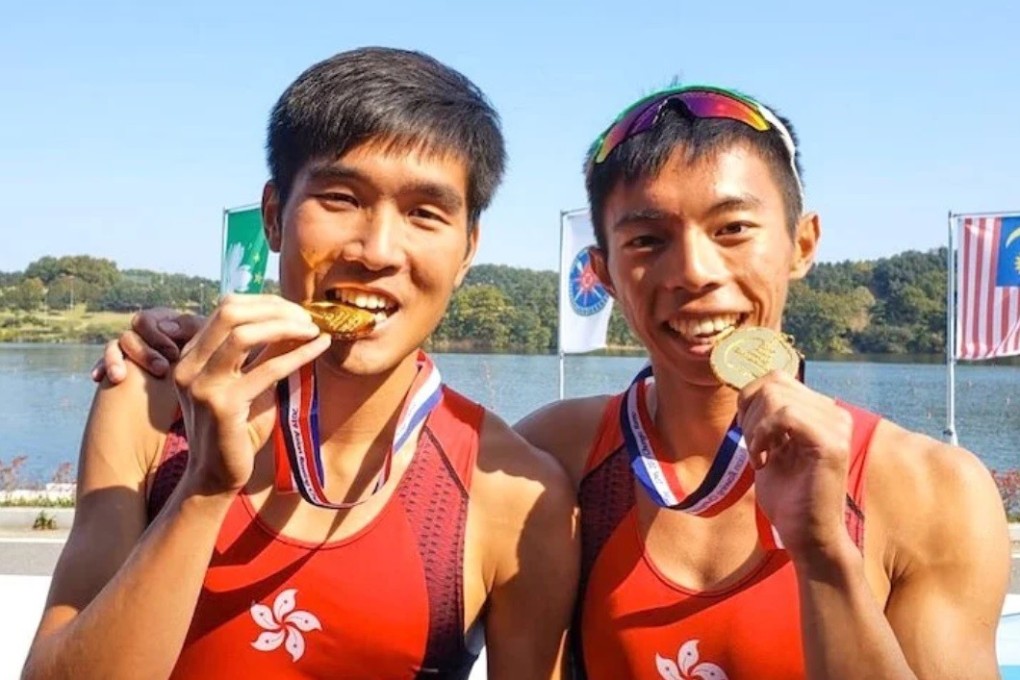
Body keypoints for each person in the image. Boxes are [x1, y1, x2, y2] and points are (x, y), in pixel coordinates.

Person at [100, 84, 1011, 679]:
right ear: (605, 272)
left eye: (734, 230)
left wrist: (824, 559)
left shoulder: (930, 491)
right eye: (646, 239)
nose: (692, 273)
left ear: (803, 245)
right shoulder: (556, 461)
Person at [24, 46, 578, 680]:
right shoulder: (151, 405)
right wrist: (204, 488)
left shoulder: (508, 491)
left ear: (468, 249)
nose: (377, 251)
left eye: (425, 213)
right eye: (340, 198)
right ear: (273, 217)